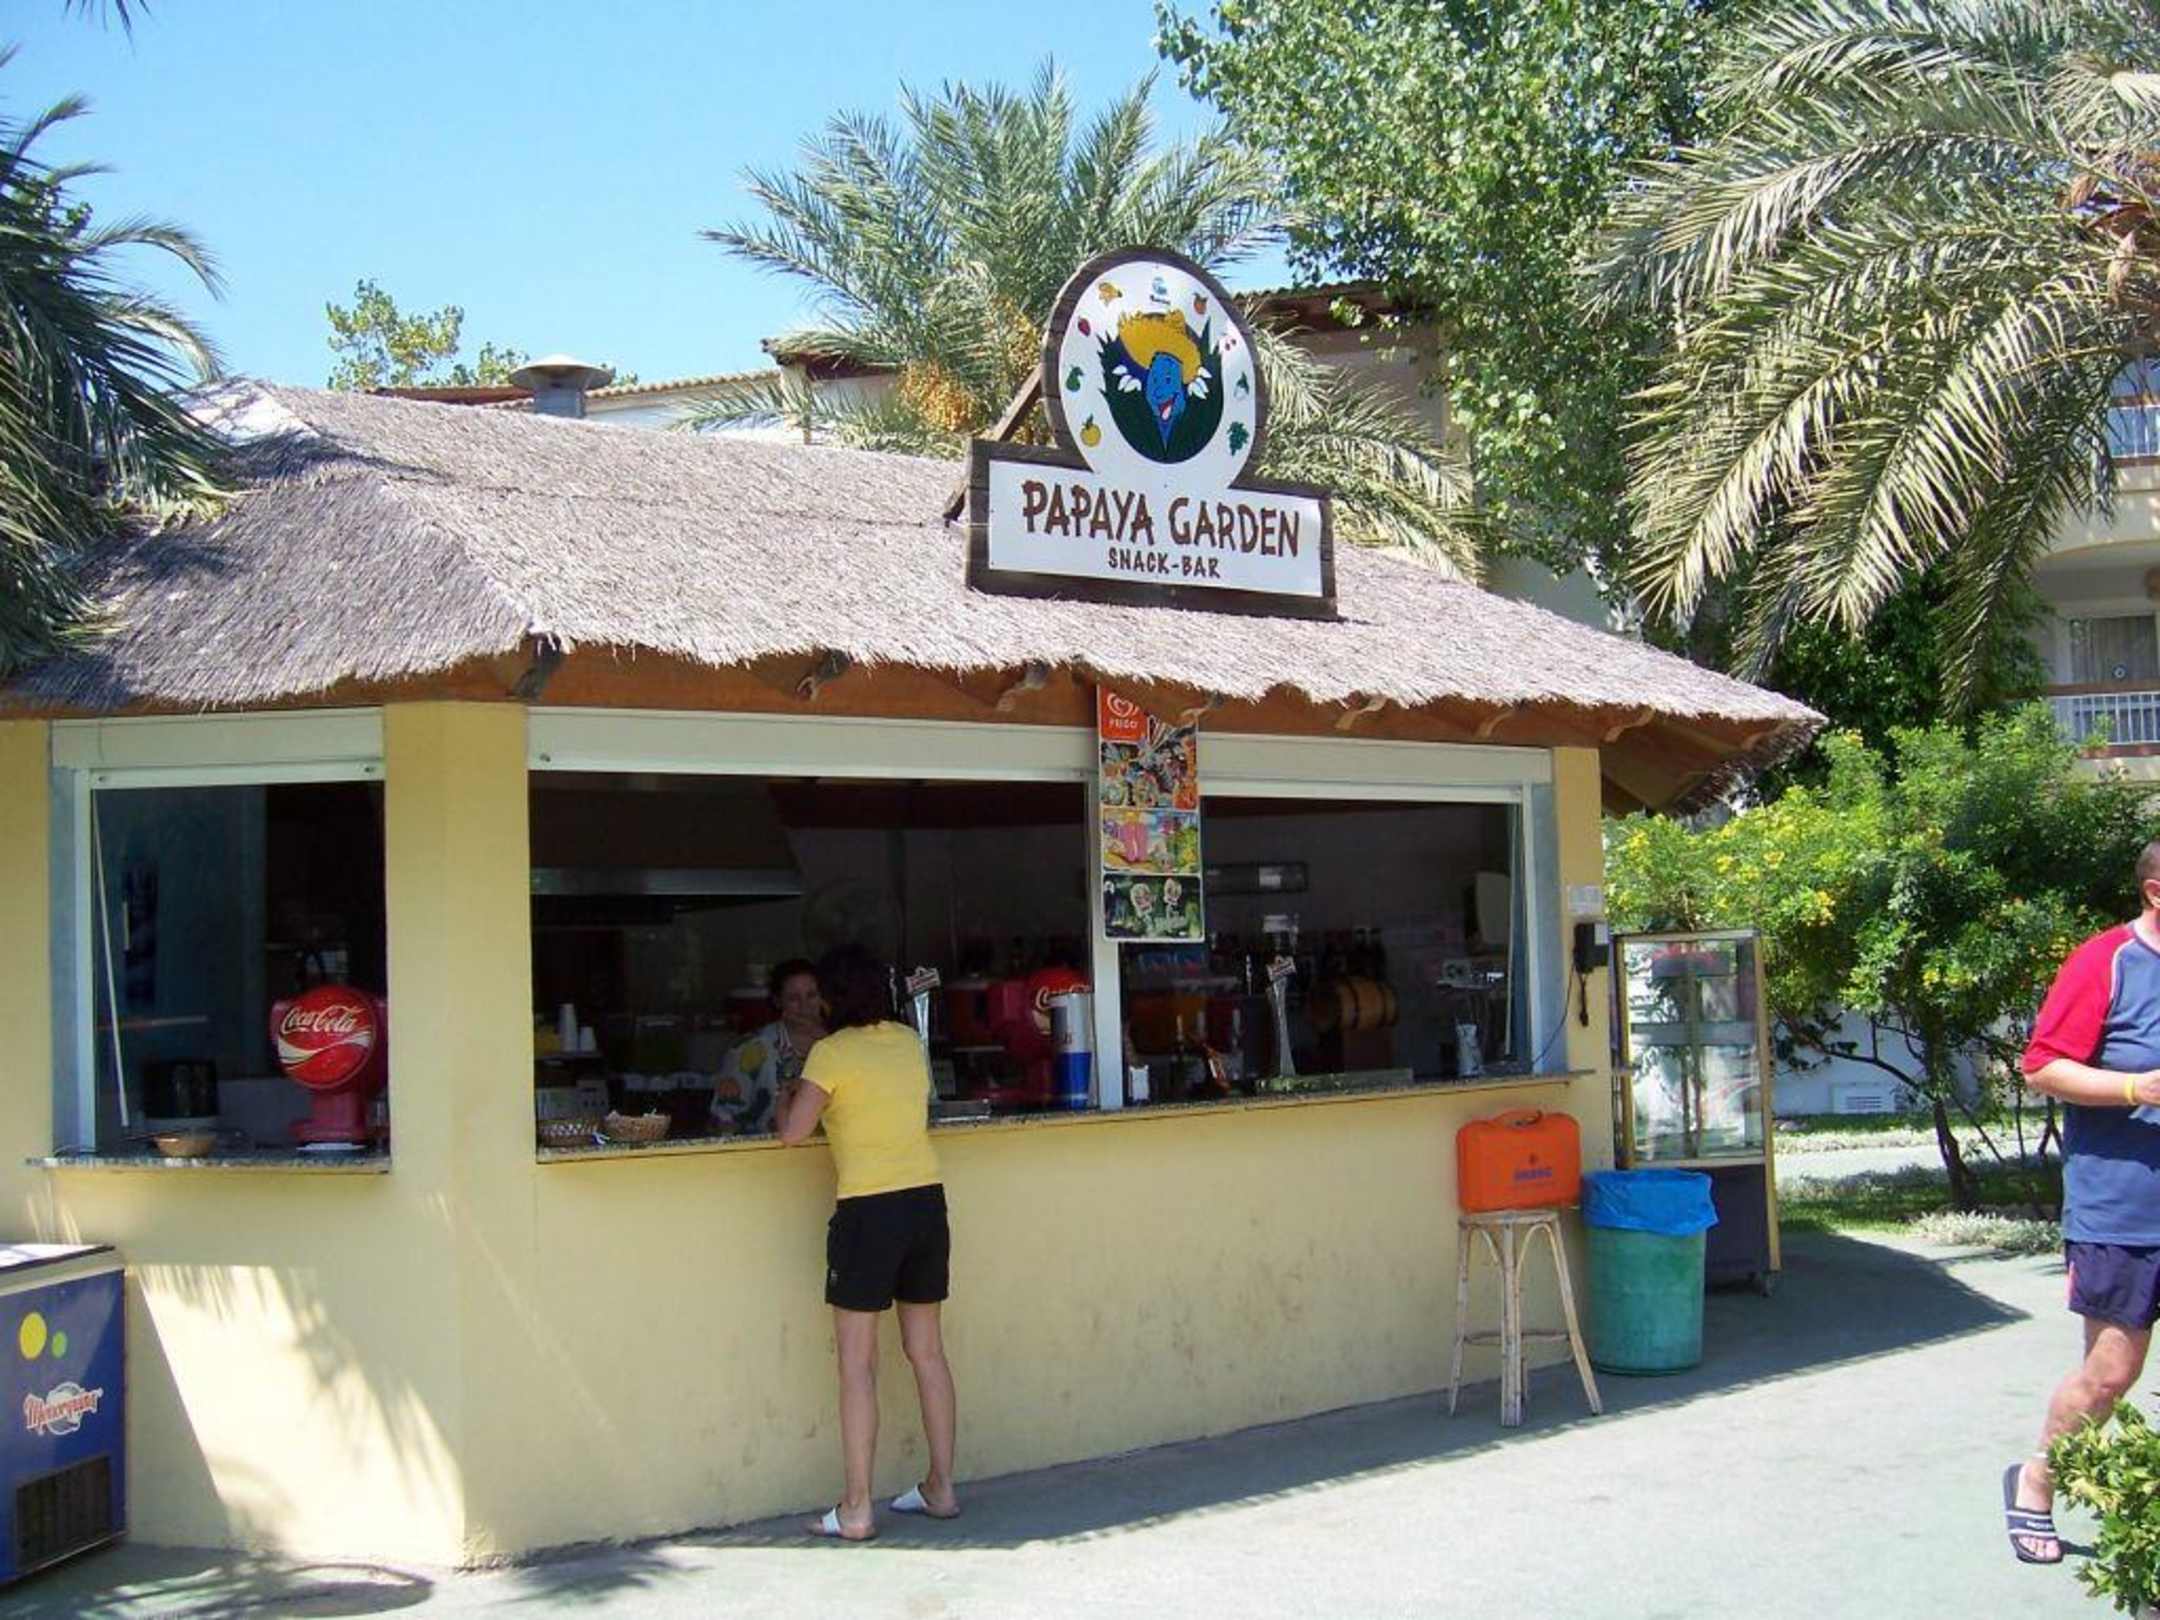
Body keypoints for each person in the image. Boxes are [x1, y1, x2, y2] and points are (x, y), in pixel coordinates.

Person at [777, 944, 959, 1541]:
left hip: (868, 1210)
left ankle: (857, 1507)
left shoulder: (830, 1053)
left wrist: (789, 1090)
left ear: (831, 999)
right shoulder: (907, 1041)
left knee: (857, 1366)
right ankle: (941, 1487)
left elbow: (792, 1133)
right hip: (925, 1202)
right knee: (927, 1353)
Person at [2011, 838, 2160, 1564]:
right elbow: (2041, 1067)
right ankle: (2035, 1483)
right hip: (2124, 1212)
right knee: (2109, 1376)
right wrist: (2137, 1086)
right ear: (2156, 891)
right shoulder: (2105, 961)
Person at [715, 959, 825, 1134]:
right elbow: (724, 1118)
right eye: (793, 998)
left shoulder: (840, 1044)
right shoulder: (751, 1048)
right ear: (777, 1001)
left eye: (811, 995)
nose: (804, 1006)